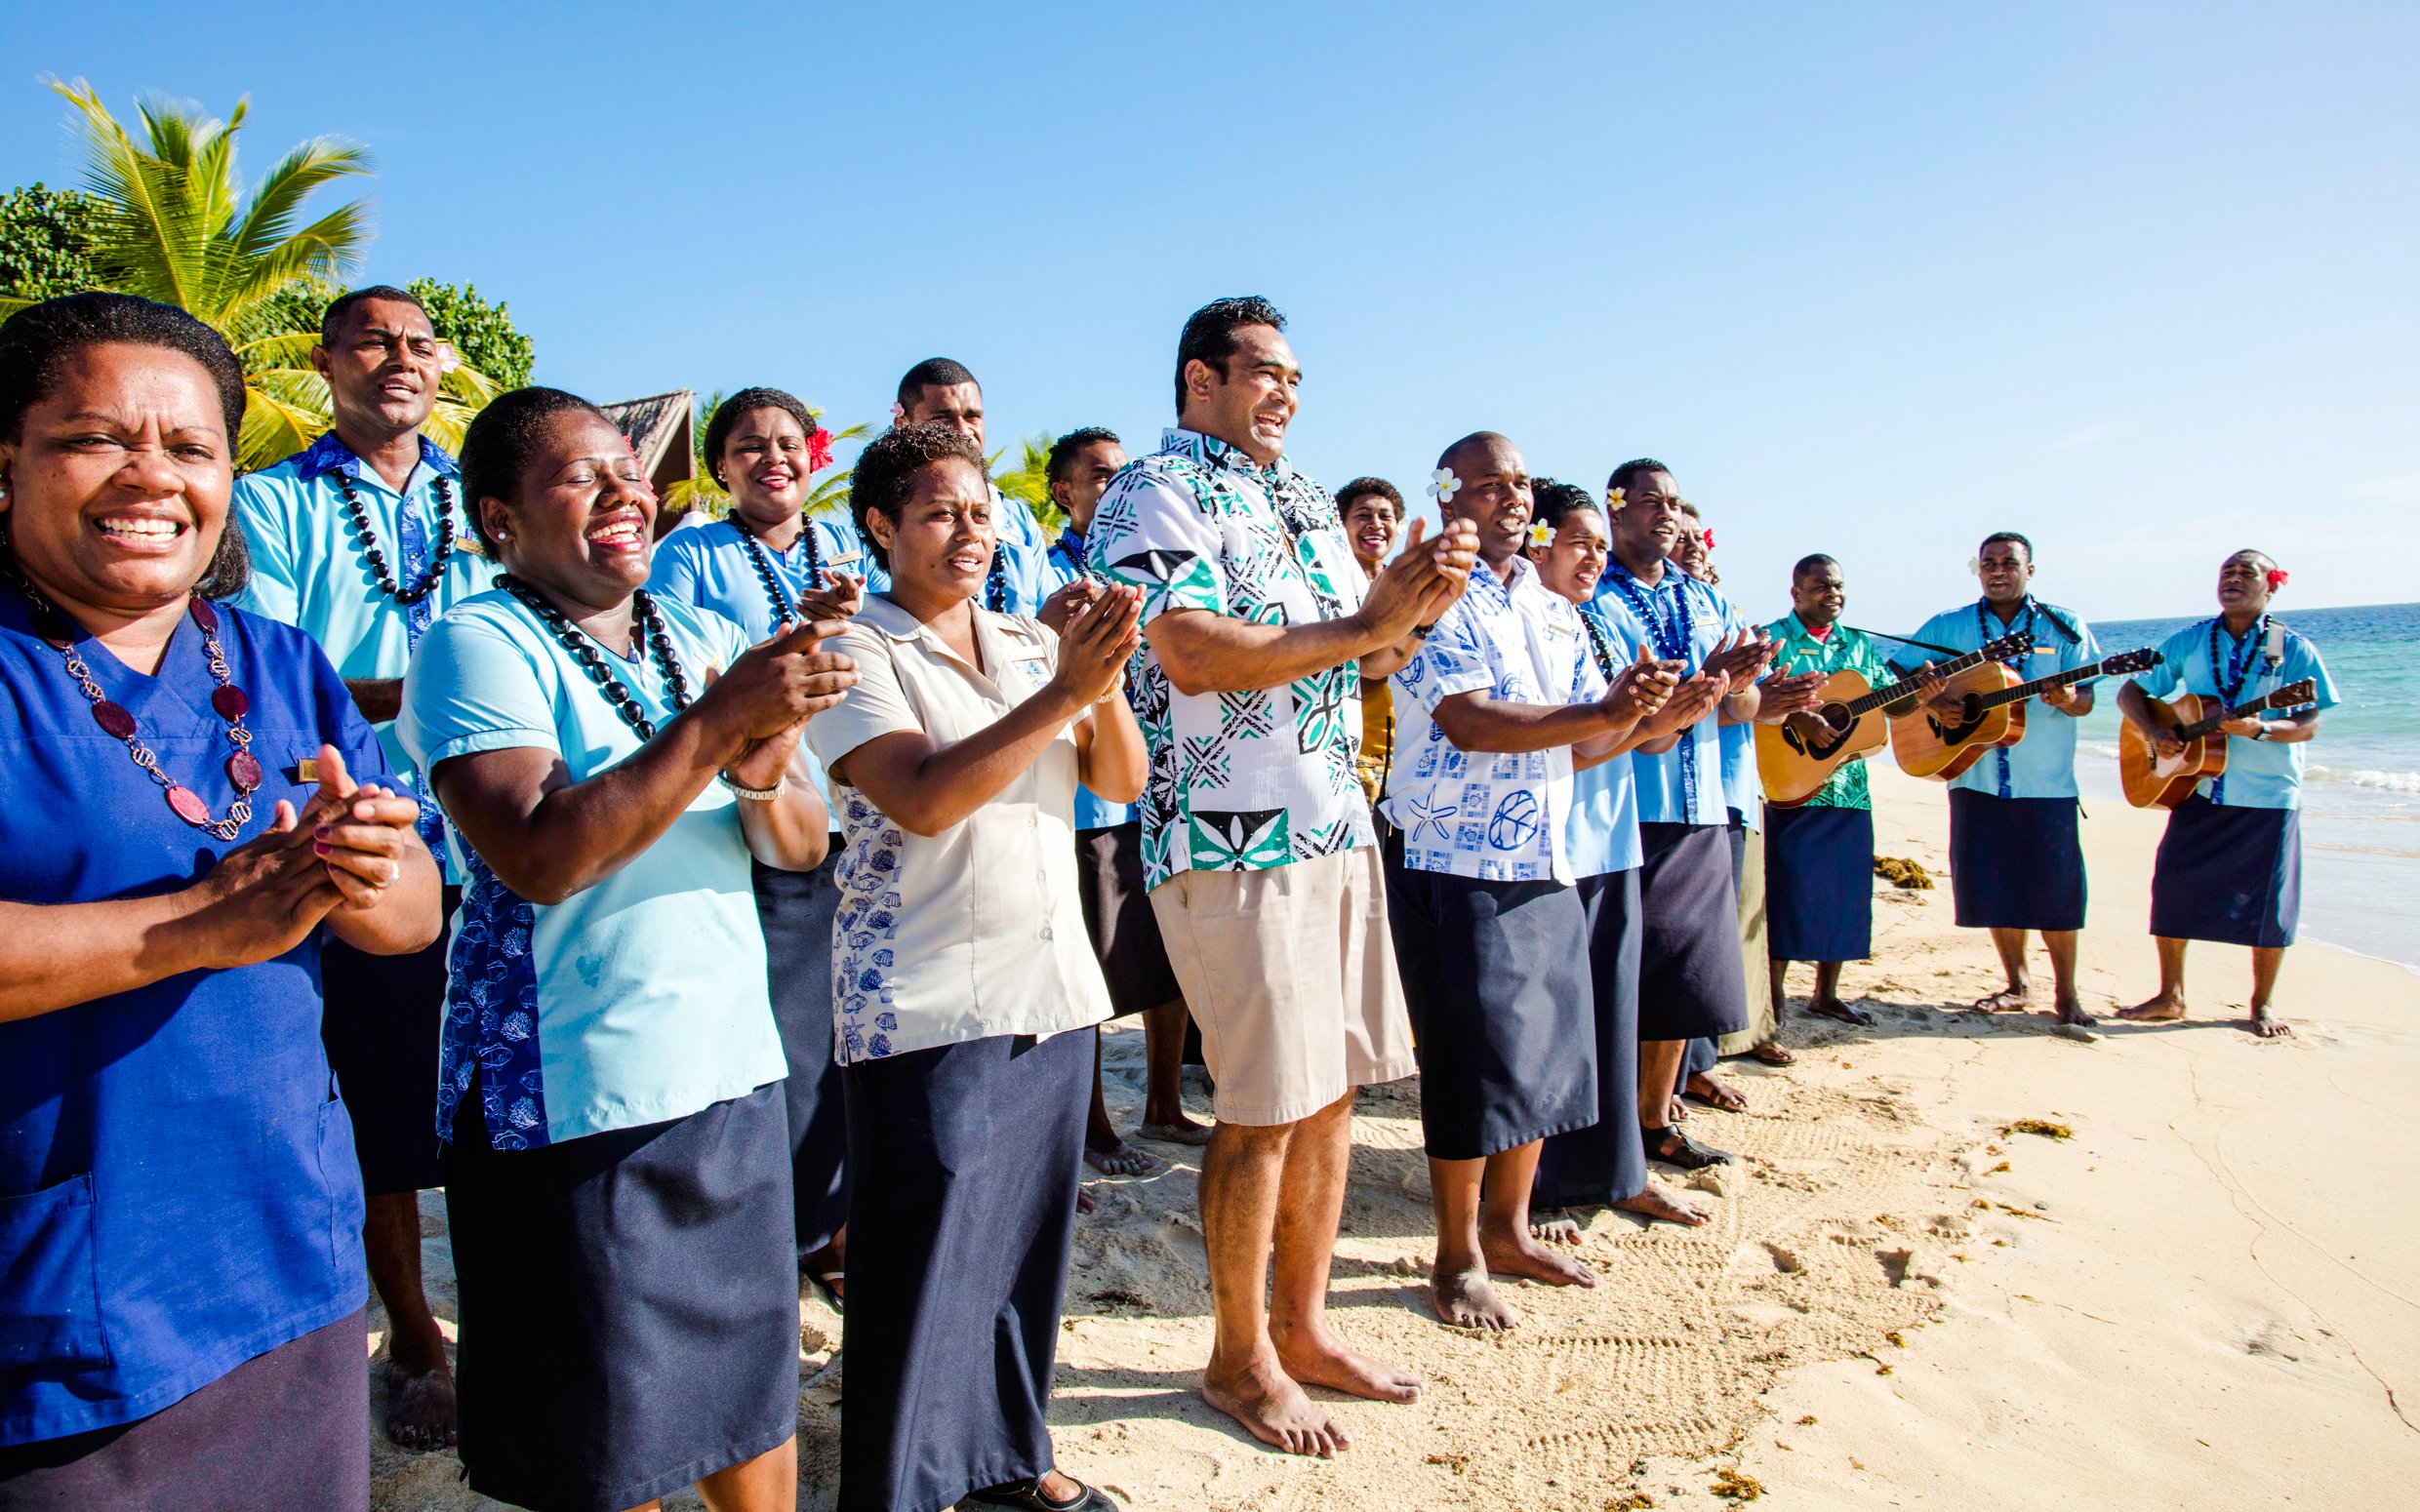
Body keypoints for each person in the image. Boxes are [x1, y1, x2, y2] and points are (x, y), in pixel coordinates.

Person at [0, 293, 439, 1508]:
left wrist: (364, 859)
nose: (151, 474)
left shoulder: (276, 661)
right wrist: (202, 928)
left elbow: (408, 923)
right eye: (97, 437)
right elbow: (220, 922)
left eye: (191, 448)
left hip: (287, 1257)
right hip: (66, 1296)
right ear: (7, 464)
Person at [401, 386, 854, 1512]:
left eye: (631, 469)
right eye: (579, 474)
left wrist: (760, 763)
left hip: (729, 1068)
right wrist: (720, 721)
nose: (624, 490)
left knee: (748, 1393)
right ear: (501, 521)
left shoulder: (697, 636)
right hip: (572, 1096)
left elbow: (797, 846)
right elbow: (541, 853)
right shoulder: (473, 641)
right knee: (608, 1441)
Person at [1089, 297, 1477, 1456]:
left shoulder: (1304, 497)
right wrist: (1367, 621)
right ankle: (1236, 1357)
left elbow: (1351, 648)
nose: (1285, 394)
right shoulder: (1149, 491)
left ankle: (1302, 1329)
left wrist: (1412, 609)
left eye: (1296, 378)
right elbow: (1192, 650)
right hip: (1222, 830)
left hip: (1332, 819)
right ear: (1198, 377)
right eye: (1263, 372)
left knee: (1331, 1086)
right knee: (1257, 1105)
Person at [808, 421, 1145, 1512]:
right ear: (879, 526)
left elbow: (1124, 779)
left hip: (1049, 984)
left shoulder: (1027, 638)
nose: (969, 529)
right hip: (925, 993)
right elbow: (919, 795)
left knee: (1021, 1248)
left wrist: (1104, 680)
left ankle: (1010, 1455)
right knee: (921, 1263)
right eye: (938, 511)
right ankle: (900, 1485)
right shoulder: (855, 651)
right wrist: (1061, 692)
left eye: (978, 510)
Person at [226, 282, 494, 1448]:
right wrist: (468, 687)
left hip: (494, 841)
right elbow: (291, 670)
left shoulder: (482, 497)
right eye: (373, 341)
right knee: (378, 1105)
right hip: (360, 835)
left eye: (419, 343)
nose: (399, 358)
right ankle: (413, 1331)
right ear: (326, 363)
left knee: (497, 1095)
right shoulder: (266, 501)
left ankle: (507, 1308)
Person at [1385, 437, 1680, 1329]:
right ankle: (1456, 1254)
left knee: (1543, 1049)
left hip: (1548, 852)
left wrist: (1646, 713)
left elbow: (1589, 741)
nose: (1512, 496)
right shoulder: (1433, 592)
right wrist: (1601, 712)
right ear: (1447, 496)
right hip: (1454, 856)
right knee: (1471, 1063)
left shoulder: (1549, 609)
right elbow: (1470, 722)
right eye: (1488, 483)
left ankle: (1509, 1229)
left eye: (1519, 482)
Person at [647, 385, 866, 1307]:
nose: (772, 460)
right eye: (749, 447)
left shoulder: (851, 546)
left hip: (860, 813)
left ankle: (837, 1211)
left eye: (787, 444)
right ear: (720, 467)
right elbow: (695, 679)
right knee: (791, 1028)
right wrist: (806, 631)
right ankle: (796, 1230)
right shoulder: (687, 557)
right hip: (761, 817)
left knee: (851, 1031)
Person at [1522, 482, 1710, 1232]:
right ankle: (1537, 1189)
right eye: (1581, 542)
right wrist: (1629, 719)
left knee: (1610, 1020)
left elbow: (1629, 738)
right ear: (1539, 543)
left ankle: (1618, 1174)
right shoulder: (1521, 622)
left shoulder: (1591, 625)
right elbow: (1559, 740)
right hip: (1548, 845)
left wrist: (1673, 712)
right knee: (1551, 1027)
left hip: (1611, 837)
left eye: (1602, 545)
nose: (1595, 557)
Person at [1593, 460, 1781, 1170]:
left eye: (1673, 502)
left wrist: (1743, 681)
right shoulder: (1592, 595)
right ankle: (1609, 1125)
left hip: (1703, 805)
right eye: (1649, 501)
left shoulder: (1705, 599)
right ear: (1616, 511)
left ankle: (1652, 1120)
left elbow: (1743, 709)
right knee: (1622, 974)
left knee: (1678, 976)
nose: (1665, 514)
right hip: (1626, 804)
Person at [1039, 426, 1214, 1181]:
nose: (1115, 490)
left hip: (1159, 787)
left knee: (1164, 956)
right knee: (1085, 965)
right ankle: (1092, 1127)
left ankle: (1165, 1104)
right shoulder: (1038, 569)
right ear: (1063, 492)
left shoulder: (1159, 556)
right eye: (1099, 476)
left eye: (1123, 476)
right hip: (1080, 795)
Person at [2116, 551, 2335, 1038]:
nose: (2233, 580)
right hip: (2199, 786)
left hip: (2268, 794)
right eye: (2226, 573)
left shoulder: (2292, 649)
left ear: (2270, 587)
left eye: (2246, 573)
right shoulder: (2191, 640)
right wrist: (2153, 731)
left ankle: (2261, 1004)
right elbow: (2130, 691)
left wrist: (2260, 728)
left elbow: (2308, 723)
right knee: (2172, 888)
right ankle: (2170, 994)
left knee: (2268, 903)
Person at [1900, 531, 2101, 1029]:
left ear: (2030, 569)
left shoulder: (2065, 626)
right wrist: (1932, 700)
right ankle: (2016, 983)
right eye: (1987, 562)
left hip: (2045, 780)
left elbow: (2086, 700)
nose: (1997, 570)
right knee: (1995, 883)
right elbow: (1898, 678)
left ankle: (2068, 995)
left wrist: (2067, 699)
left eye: (2009, 562)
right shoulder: (1950, 625)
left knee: (2057, 889)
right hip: (1975, 774)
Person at [1761, 555, 1889, 1027]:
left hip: (1849, 788)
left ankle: (1825, 994)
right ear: (1796, 593)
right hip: (1789, 784)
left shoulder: (1859, 645)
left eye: (1837, 585)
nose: (1831, 593)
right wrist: (1796, 716)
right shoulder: (1771, 638)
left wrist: (1926, 690)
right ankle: (1773, 995)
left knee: (1843, 894)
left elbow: (1889, 699)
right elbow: (1749, 694)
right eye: (1820, 586)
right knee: (1785, 894)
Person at [894, 357, 1067, 618]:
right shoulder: (891, 513)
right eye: (942, 417)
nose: (963, 430)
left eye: (972, 417)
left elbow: (1048, 611)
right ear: (903, 425)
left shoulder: (1017, 519)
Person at [1338, 476, 1405, 809]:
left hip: (1403, 761)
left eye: (1385, 516)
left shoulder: (1409, 589)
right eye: (1363, 515)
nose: (1375, 524)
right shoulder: (1329, 586)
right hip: (1350, 756)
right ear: (1340, 526)